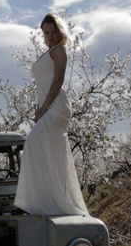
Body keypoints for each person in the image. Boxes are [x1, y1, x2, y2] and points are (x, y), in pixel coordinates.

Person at [14, 12, 89, 216]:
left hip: (57, 107)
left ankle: (34, 202)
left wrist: (43, 108)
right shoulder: (48, 52)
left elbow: (58, 82)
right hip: (47, 106)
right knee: (49, 152)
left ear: (59, 31)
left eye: (52, 31)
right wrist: (40, 107)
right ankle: (46, 200)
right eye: (45, 32)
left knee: (32, 143)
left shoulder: (60, 51)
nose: (49, 36)